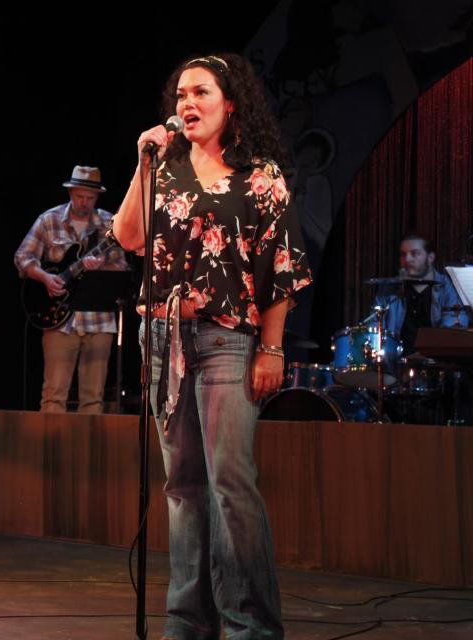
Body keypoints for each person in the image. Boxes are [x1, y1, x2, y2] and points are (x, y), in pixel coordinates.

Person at [111, 53, 312, 639]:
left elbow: (280, 267)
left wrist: (271, 349)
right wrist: (143, 164)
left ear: (231, 103)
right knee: (182, 485)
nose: (187, 104)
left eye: (200, 92)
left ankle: (249, 625)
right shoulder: (164, 165)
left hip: (228, 338)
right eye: (179, 96)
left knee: (230, 480)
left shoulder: (260, 174)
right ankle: (186, 623)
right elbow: (128, 237)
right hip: (162, 338)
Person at [14, 166, 130, 413]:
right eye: (79, 196)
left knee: (93, 398)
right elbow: (22, 257)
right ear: (71, 192)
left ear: (97, 197)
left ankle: (87, 451)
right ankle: (49, 450)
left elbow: (122, 267)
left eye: (90, 198)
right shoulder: (49, 220)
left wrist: (102, 266)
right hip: (59, 321)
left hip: (99, 321)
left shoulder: (110, 224)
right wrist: (45, 278)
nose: (84, 202)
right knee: (54, 394)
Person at [371, 233, 469, 355]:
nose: (407, 259)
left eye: (415, 253)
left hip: (437, 363)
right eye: (403, 254)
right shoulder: (388, 290)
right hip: (396, 364)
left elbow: (452, 333)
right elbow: (373, 329)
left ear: (430, 257)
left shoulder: (449, 287)